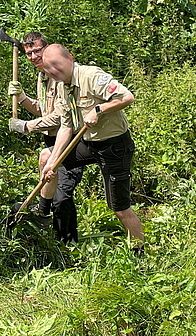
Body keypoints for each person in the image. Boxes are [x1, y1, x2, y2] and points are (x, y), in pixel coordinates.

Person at [39, 44, 144, 244]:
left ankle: (139, 254)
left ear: (70, 57)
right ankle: (42, 211)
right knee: (46, 157)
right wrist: (53, 162)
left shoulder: (91, 76)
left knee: (120, 209)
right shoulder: (62, 87)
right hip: (89, 144)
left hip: (114, 147)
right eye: (48, 68)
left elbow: (127, 97)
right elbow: (65, 128)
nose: (53, 71)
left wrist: (99, 110)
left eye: (56, 64)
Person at [8, 32, 94, 242]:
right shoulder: (42, 76)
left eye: (37, 50)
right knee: (53, 193)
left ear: (46, 48)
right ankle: (54, 238)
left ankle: (68, 243)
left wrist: (26, 126)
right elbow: (44, 110)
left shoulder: (58, 73)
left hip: (71, 142)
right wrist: (22, 98)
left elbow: (59, 118)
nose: (33, 56)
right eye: (28, 53)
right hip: (51, 142)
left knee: (62, 195)